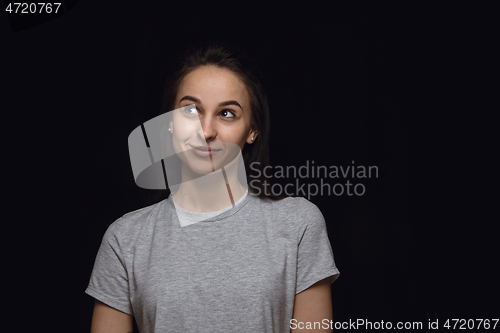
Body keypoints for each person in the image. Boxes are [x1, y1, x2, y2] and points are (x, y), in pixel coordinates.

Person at [85, 42, 340, 333]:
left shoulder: (298, 224)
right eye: (190, 111)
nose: (205, 131)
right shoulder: (126, 238)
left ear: (252, 130)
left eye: (227, 113)